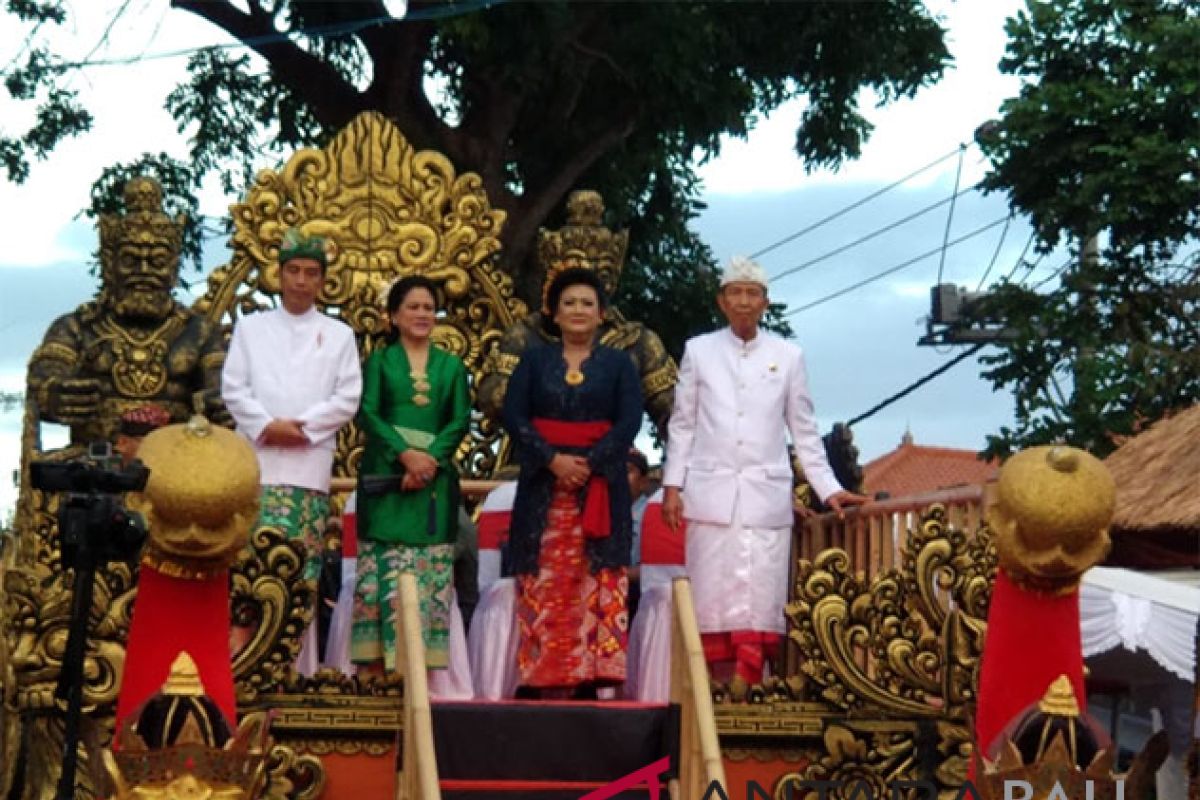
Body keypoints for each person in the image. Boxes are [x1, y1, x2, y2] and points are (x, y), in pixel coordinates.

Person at [662, 255, 868, 685]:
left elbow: (805, 431)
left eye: (751, 294)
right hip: (711, 493)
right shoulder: (699, 351)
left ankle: (752, 682)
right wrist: (672, 485)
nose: (742, 301)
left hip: (765, 495)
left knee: (759, 596)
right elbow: (683, 424)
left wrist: (829, 488)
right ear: (721, 301)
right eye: (734, 292)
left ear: (765, 303)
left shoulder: (787, 356)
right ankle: (711, 690)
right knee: (711, 598)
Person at [221, 228, 363, 673]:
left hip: (307, 470)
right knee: (250, 573)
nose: (302, 280)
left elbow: (347, 396)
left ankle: (296, 675)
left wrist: (303, 430)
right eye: (294, 271)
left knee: (300, 574)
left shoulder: (339, 334)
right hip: (256, 469)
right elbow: (233, 387)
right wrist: (267, 426)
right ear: (279, 275)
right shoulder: (250, 327)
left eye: (311, 273)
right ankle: (244, 672)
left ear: (323, 281)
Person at [502, 267, 643, 698]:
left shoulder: (620, 364)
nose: (578, 311)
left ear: (602, 314)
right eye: (569, 303)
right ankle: (544, 681)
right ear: (554, 313)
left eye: (587, 303)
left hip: (600, 485)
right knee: (545, 580)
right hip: (543, 489)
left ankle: (590, 684)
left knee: (595, 578)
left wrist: (589, 462)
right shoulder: (534, 360)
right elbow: (514, 416)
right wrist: (553, 460)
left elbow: (630, 422)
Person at [352, 276, 471, 675]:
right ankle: (372, 681)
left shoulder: (451, 366)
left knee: (427, 580)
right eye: (413, 307)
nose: (423, 314)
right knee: (380, 578)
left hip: (432, 486)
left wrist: (428, 462)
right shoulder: (380, 362)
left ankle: (416, 680)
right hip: (385, 478)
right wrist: (404, 455)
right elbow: (367, 412)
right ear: (394, 316)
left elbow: (458, 420)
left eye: (428, 307)